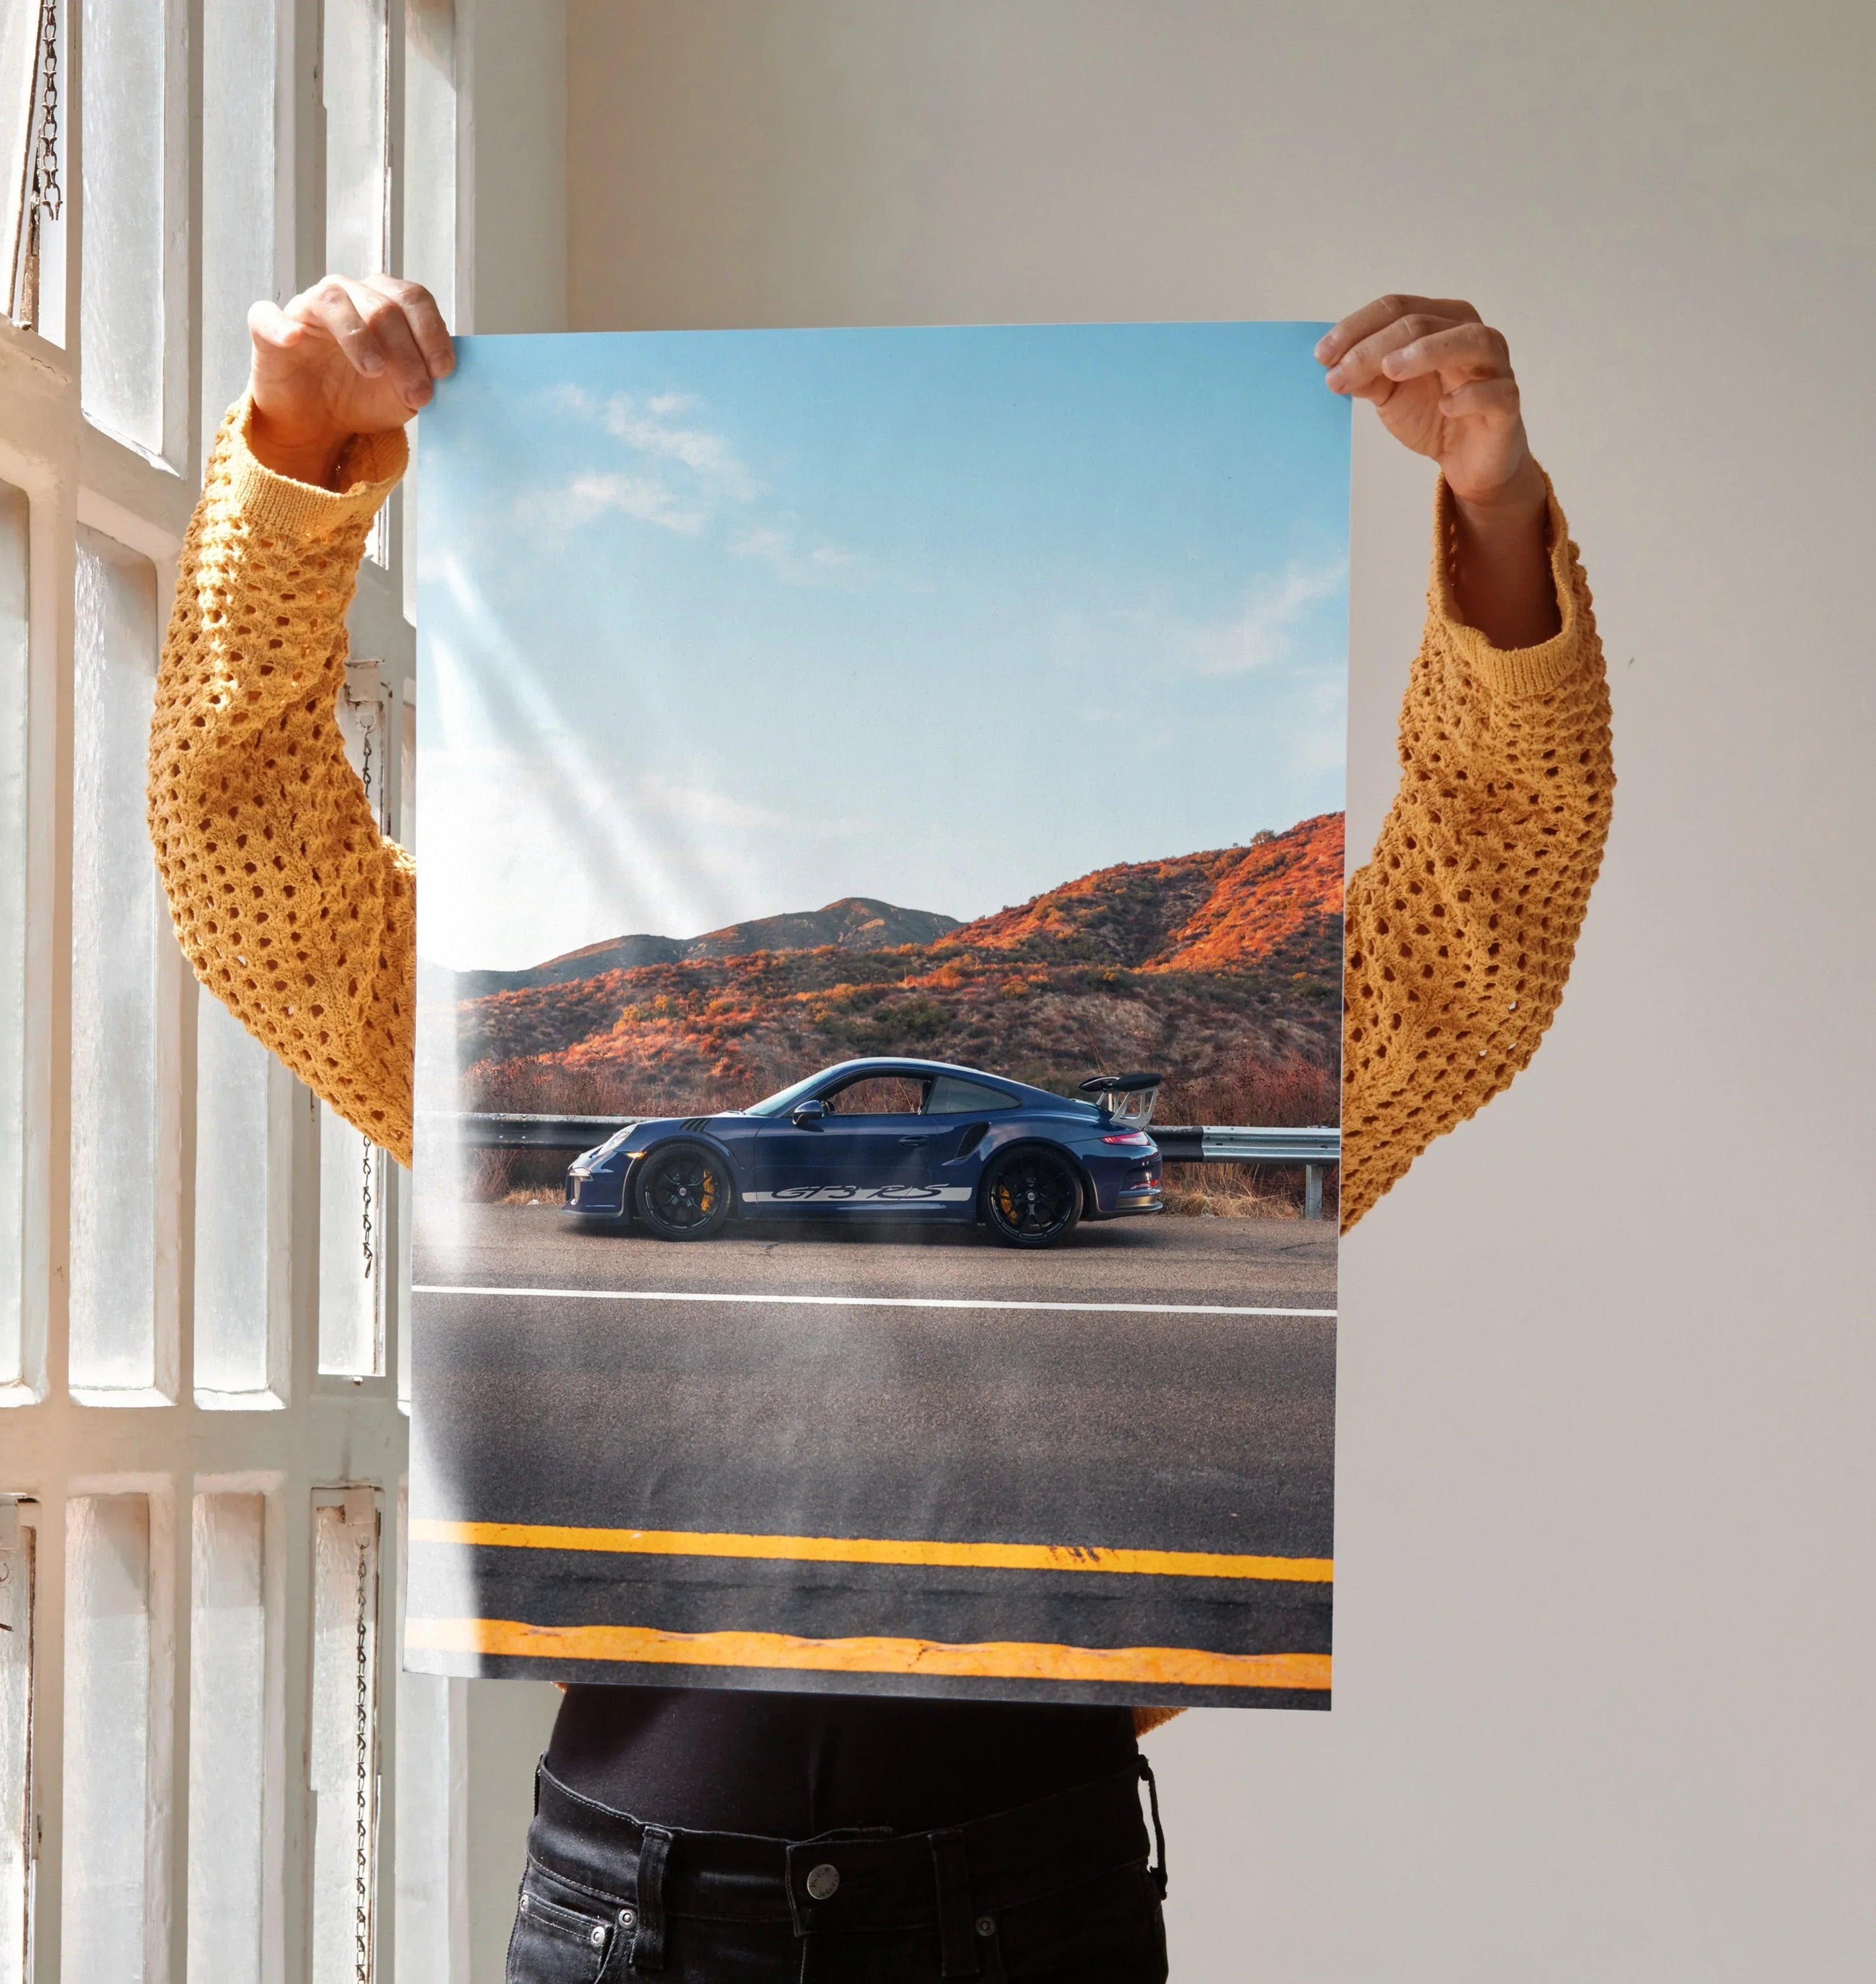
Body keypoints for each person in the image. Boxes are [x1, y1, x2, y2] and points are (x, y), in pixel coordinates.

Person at [149, 276, 1611, 1981]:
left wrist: (1495, 506)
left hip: (1020, 1898)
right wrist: (294, 457)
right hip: (642, 1913)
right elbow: (246, 863)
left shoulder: (1072, 1126)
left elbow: (1483, 922)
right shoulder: (525, 1063)